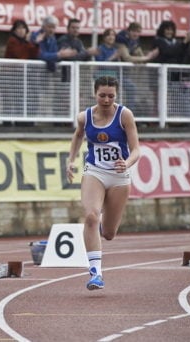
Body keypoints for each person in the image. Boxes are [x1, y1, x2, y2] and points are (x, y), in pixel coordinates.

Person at [66, 76, 140, 291]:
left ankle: (98, 233)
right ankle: (95, 273)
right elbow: (78, 136)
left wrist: (126, 164)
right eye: (102, 96)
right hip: (95, 171)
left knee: (108, 233)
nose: (106, 100)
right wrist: (71, 160)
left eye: (111, 96)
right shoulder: (85, 117)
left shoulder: (124, 115)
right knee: (90, 216)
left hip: (119, 176)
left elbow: (137, 149)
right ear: (94, 94)